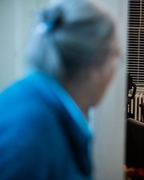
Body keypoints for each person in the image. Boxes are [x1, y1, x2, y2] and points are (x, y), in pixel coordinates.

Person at [0, 0, 119, 179]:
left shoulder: (28, 96)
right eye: (115, 57)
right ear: (94, 66)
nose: (115, 70)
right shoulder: (32, 136)